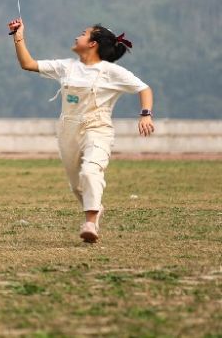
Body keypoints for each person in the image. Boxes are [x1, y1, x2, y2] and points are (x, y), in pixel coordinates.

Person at [8, 18, 154, 243]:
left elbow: (143, 88)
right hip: (68, 130)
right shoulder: (66, 66)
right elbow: (27, 63)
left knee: (90, 172)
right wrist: (18, 36)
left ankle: (90, 223)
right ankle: (96, 207)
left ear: (93, 43)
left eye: (83, 33)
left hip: (98, 128)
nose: (77, 37)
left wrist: (145, 114)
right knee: (77, 184)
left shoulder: (111, 72)